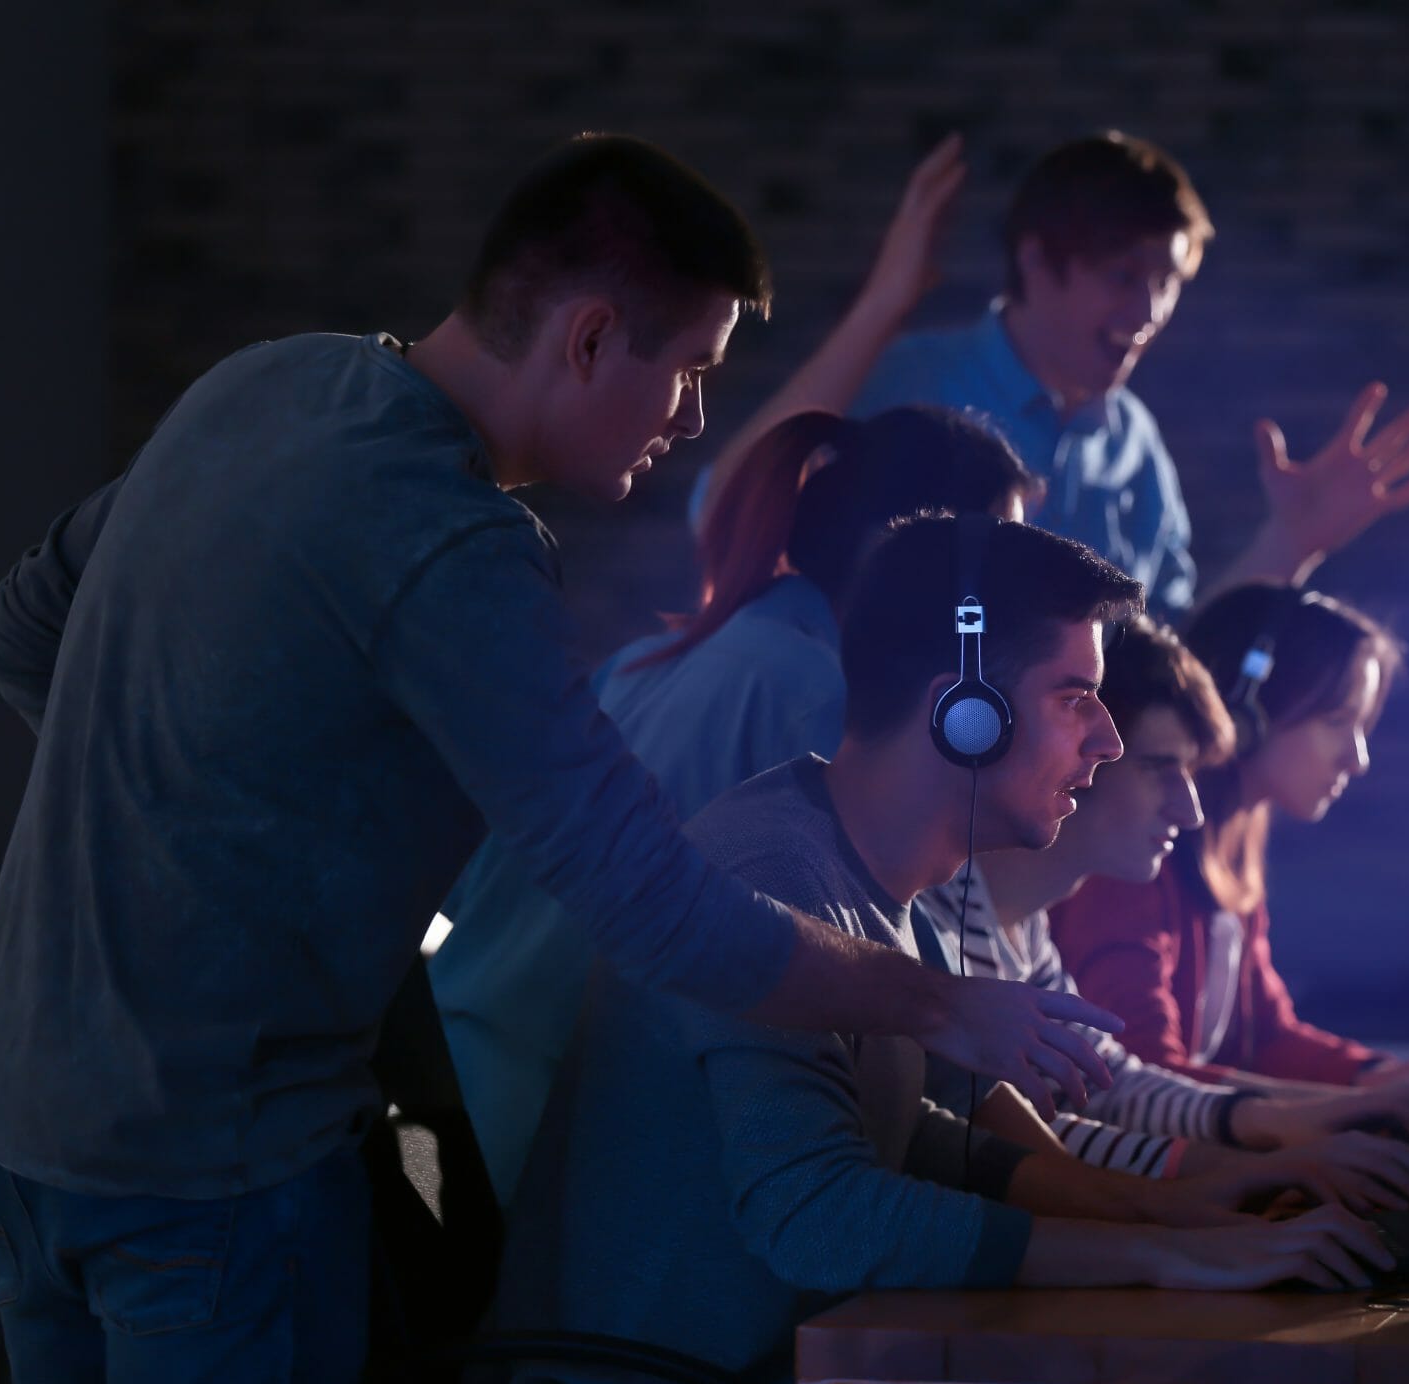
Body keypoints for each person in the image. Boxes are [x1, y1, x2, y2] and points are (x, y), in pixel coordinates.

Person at [0, 134, 1119, 1384]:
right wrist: (942, 1004)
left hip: (17, 1112)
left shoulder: (266, 382)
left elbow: (21, 626)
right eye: (692, 373)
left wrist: (169, 817)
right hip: (209, 1160)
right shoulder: (457, 547)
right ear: (591, 336)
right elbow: (650, 902)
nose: (696, 422)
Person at [485, 515, 1396, 1384]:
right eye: (1076, 697)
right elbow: (819, 1216)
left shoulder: (890, 893)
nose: (1109, 740)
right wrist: (1172, 1254)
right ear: (964, 712)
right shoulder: (775, 872)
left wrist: (1180, 1211)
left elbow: (917, 1135)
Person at [431, 404, 1034, 1201]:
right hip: (564, 1147)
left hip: (462, 1090)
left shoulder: (649, 661)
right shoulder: (826, 701)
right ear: (913, 557)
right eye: (1005, 565)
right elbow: (939, 1035)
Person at [694, 130, 1409, 616]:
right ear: (1036, 259)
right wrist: (883, 303)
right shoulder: (912, 384)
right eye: (1122, 273)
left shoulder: (1136, 448)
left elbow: (1163, 665)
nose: (1149, 308)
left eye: (1169, 280)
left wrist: (1292, 542)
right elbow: (724, 515)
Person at [917, 614, 1409, 1206]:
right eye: (1158, 768)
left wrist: (1295, 1116)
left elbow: (1112, 1086)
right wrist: (1234, 1168)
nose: (1191, 809)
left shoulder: (1026, 928)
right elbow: (1018, 1146)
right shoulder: (940, 928)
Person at [1050, 584, 1409, 1093]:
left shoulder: (1239, 837)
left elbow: (1266, 1035)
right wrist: (1344, 1108)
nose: (1357, 759)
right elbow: (1141, 1075)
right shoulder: (1138, 849)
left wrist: (1383, 1075)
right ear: (1250, 713)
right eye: (1337, 722)